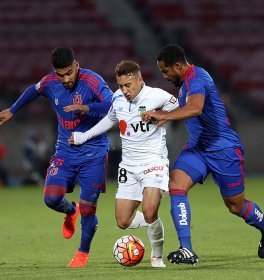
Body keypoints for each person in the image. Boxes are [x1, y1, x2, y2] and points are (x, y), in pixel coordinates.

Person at [142, 44, 264, 264]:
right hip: (197, 149)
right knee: (176, 185)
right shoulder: (185, 82)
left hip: (223, 149)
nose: (165, 76)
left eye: (166, 71)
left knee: (236, 205)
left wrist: (164, 116)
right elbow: (188, 109)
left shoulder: (197, 78)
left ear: (178, 66)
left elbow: (195, 108)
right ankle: (186, 248)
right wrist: (163, 115)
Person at [0, 47, 113, 267]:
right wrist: (13, 110)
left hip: (94, 152)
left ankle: (82, 253)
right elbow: (33, 90)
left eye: (69, 73)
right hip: (65, 151)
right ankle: (71, 210)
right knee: (50, 198)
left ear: (76, 65)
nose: (65, 79)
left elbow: (112, 105)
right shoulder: (50, 82)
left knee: (89, 208)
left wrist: (86, 107)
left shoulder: (92, 81)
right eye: (61, 74)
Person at [68, 60, 179, 268]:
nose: (124, 90)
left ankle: (157, 256)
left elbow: (180, 105)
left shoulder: (156, 95)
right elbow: (110, 119)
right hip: (129, 166)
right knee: (123, 221)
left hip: (153, 161)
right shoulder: (118, 98)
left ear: (139, 80)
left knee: (148, 211)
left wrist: (164, 115)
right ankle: (153, 221)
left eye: (128, 85)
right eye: (120, 85)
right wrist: (84, 136)